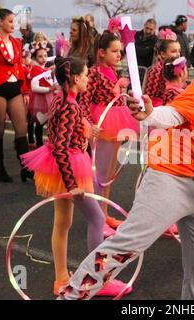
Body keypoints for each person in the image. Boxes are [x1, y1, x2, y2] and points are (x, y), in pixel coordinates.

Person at [57, 13, 194, 300]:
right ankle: (70, 297)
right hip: (174, 181)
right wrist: (150, 113)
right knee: (127, 245)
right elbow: (174, 113)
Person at [21, 56, 132, 297]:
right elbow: (60, 146)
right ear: (74, 78)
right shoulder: (68, 105)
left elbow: (68, 130)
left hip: (61, 167)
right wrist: (72, 185)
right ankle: (97, 279)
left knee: (63, 223)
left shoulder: (64, 99)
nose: (88, 78)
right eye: (85, 75)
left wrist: (88, 128)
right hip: (69, 168)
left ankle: (61, 278)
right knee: (96, 220)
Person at [80, 30, 138, 229]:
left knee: (109, 175)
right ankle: (97, 220)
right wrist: (88, 123)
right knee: (100, 175)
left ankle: (103, 215)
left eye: (119, 51)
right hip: (101, 124)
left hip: (115, 121)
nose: (118, 55)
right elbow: (84, 100)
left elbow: (116, 98)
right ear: (101, 52)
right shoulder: (94, 73)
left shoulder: (112, 72)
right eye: (114, 51)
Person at [0, 6, 33, 183]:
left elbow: (19, 67)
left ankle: (26, 168)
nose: (13, 24)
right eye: (10, 21)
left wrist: (25, 90)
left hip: (15, 87)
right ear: (0, 22)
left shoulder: (17, 42)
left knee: (21, 129)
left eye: (14, 21)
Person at [29, 42, 58, 147]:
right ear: (35, 58)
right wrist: (49, 89)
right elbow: (34, 87)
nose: (44, 58)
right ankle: (39, 144)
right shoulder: (36, 69)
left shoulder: (45, 69)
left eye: (45, 56)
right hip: (40, 99)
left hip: (48, 98)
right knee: (40, 122)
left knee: (47, 121)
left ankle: (46, 143)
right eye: (40, 56)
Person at [144, 28, 181, 106]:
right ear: (163, 54)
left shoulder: (176, 68)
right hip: (158, 108)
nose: (178, 54)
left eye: (179, 51)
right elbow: (148, 93)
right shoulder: (156, 69)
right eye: (173, 51)